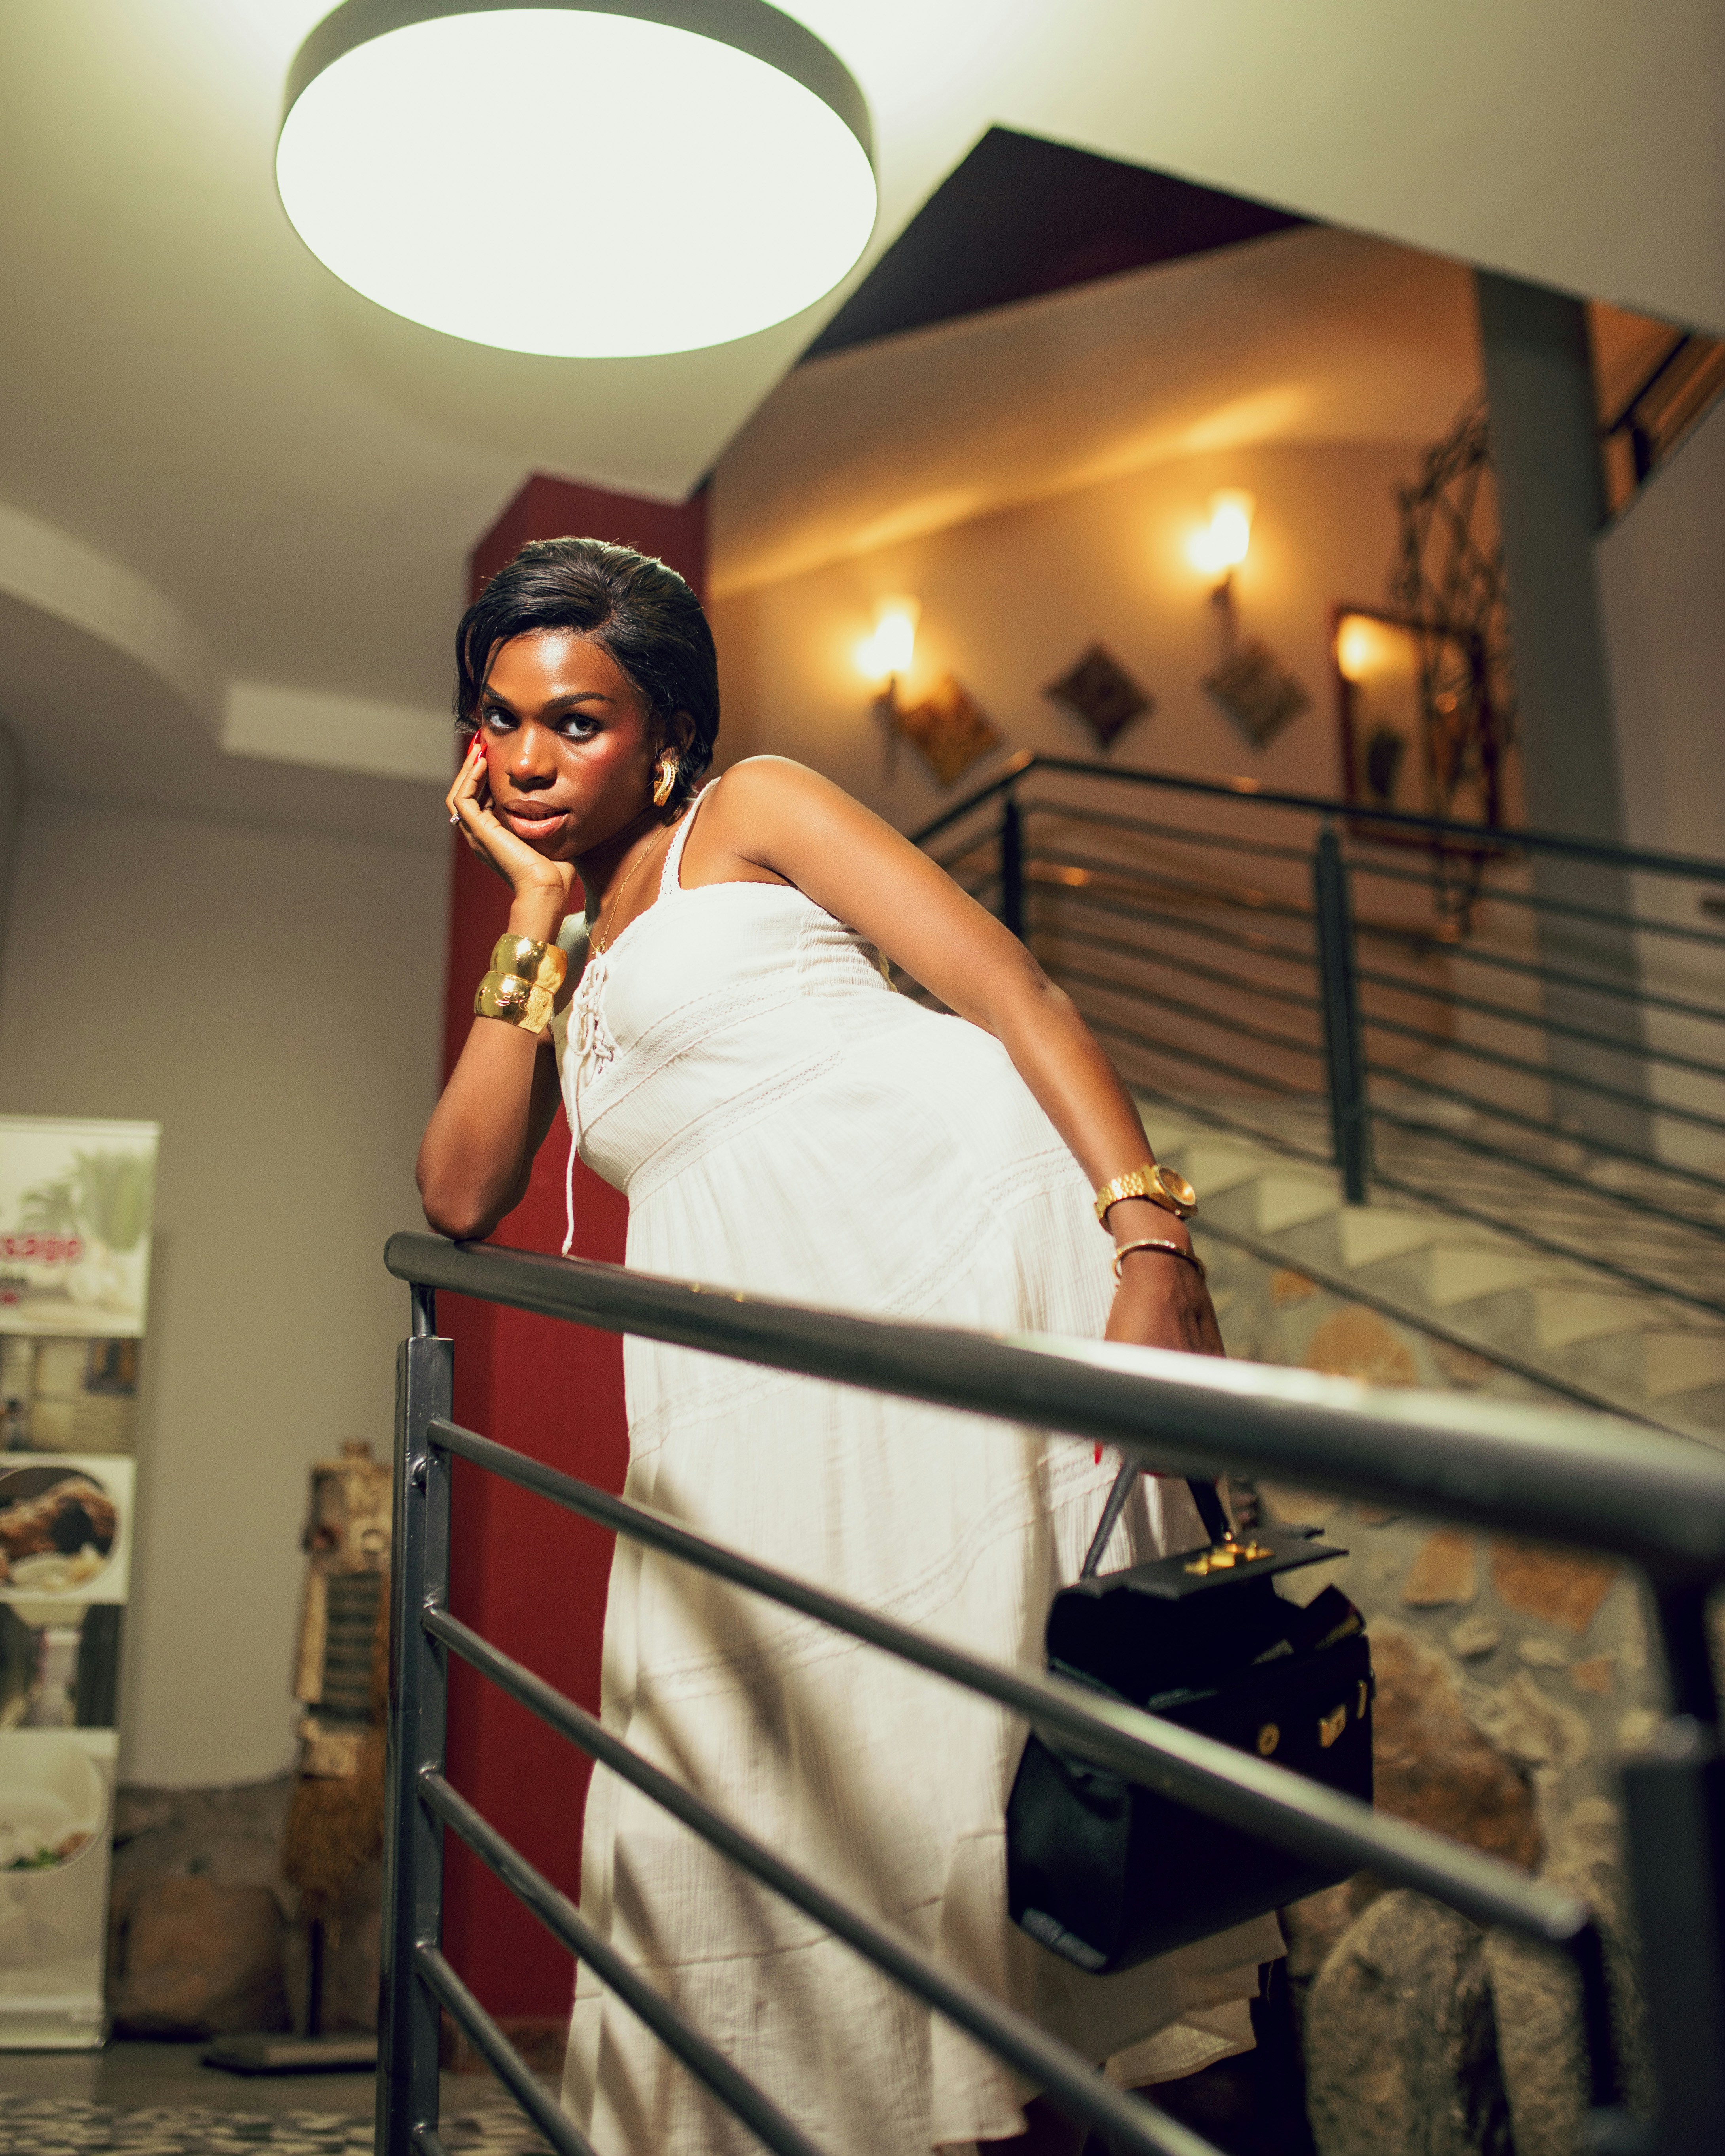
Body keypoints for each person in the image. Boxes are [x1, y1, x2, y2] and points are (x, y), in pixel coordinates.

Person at [417, 538, 1282, 2156]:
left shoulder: (751, 808)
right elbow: (460, 1187)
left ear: (663, 728)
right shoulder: (575, 944)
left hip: (945, 1254)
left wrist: (1145, 1234)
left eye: (577, 721)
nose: (528, 758)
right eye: (501, 719)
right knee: (776, 1768)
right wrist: (531, 909)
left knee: (954, 1761)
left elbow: (1004, 983)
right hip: (758, 1373)